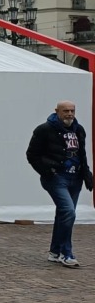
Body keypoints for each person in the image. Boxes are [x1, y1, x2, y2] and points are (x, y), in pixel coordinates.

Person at [26, 100, 93, 267]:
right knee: (68, 211)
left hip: (75, 179)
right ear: (57, 111)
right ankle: (66, 252)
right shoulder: (44, 130)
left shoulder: (79, 130)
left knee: (64, 215)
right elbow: (32, 154)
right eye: (66, 111)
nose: (70, 114)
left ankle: (55, 251)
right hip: (56, 178)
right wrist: (48, 171)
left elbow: (82, 155)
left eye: (72, 111)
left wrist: (87, 175)